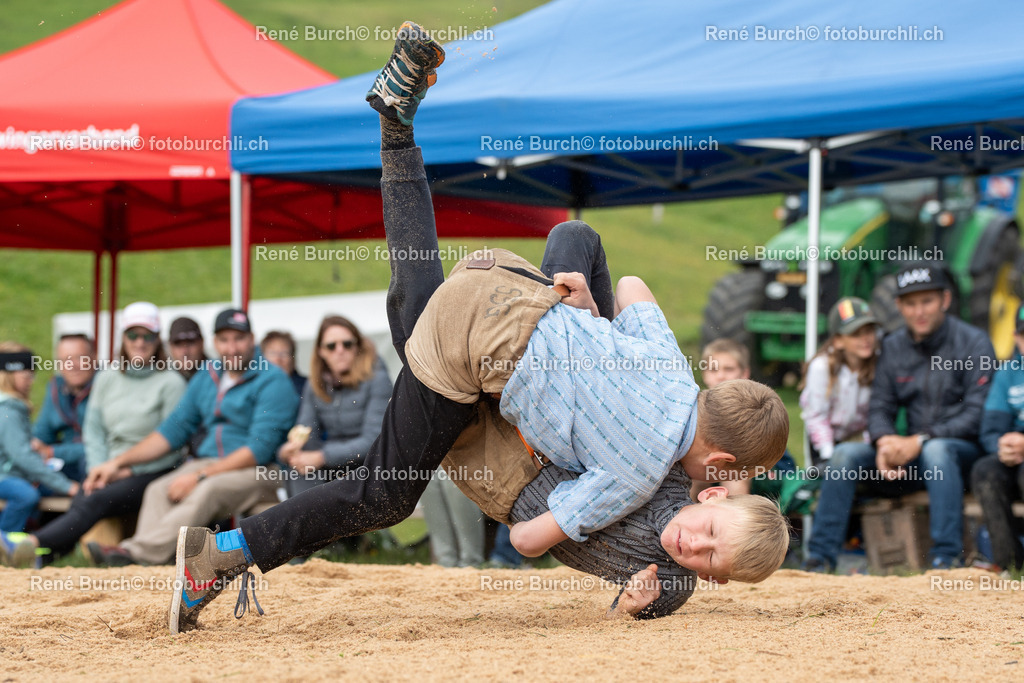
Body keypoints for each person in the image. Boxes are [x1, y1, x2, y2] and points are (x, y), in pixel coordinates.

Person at [167, 23, 789, 634]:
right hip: (477, 363)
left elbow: (625, 281)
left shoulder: (672, 377)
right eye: (720, 481)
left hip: (509, 293)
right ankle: (224, 553)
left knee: (481, 278)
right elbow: (531, 539)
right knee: (386, 493)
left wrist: (591, 321)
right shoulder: (647, 478)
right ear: (720, 471)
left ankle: (397, 129)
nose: (705, 508)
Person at [803, 262, 995, 572]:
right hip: (910, 456)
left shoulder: (974, 343)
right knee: (845, 455)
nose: (919, 311)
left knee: (937, 450)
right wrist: (883, 442)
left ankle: (946, 559)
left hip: (963, 455)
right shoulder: (892, 347)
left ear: (945, 300)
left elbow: (978, 413)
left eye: (927, 301)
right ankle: (819, 559)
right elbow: (880, 406)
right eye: (910, 303)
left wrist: (920, 440)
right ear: (898, 306)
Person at [82, 308, 299, 567]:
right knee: (157, 490)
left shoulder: (273, 380)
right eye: (224, 339)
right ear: (214, 342)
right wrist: (116, 463)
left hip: (262, 470)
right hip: (210, 464)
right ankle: (153, 566)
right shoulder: (208, 375)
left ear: (252, 339)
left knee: (208, 490)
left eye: (239, 339)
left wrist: (199, 476)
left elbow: (258, 450)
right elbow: (171, 431)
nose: (232, 348)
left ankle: (135, 555)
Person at [2, 302, 187, 564]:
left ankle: (32, 544)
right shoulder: (108, 378)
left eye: (148, 336)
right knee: (87, 491)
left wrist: (125, 469)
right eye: (133, 335)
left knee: (94, 498)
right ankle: (43, 556)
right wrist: (98, 469)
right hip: (109, 467)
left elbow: (173, 444)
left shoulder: (171, 383)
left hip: (152, 470)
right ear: (123, 338)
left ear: (158, 339)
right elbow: (94, 430)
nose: (140, 342)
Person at [277, 316, 391, 498]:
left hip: (370, 465)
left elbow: (374, 440)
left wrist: (322, 457)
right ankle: (308, 516)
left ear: (357, 347)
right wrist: (288, 451)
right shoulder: (315, 384)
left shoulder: (378, 379)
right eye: (331, 346)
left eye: (347, 344)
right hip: (332, 466)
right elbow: (306, 432)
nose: (340, 350)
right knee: (299, 469)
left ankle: (311, 515)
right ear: (321, 351)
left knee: (310, 468)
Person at [692, 338, 797, 499]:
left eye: (729, 369)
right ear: (704, 374)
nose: (720, 376)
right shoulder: (698, 406)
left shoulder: (754, 405)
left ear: (745, 373)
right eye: (713, 369)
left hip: (764, 472)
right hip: (713, 468)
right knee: (696, 472)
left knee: (734, 474)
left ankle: (735, 515)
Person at [0, 343, 79, 545]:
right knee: (26, 495)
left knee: (44, 488)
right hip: (4, 477)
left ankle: (37, 537)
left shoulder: (13, 408)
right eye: (27, 376)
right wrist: (66, 486)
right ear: (9, 375)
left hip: (12, 474)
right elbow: (22, 457)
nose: (31, 381)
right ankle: (6, 543)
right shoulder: (7, 412)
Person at [971, 303, 1024, 572]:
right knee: (985, 471)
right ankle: (1011, 566)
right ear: (1016, 337)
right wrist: (1003, 447)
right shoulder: (1008, 373)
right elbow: (990, 431)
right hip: (1016, 459)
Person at [799, 297, 878, 465]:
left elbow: (877, 413)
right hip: (825, 441)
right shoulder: (821, 368)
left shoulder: (879, 364)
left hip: (862, 440)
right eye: (856, 334)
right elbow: (816, 416)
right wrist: (828, 455)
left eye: (869, 331)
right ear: (838, 341)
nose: (865, 339)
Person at [31, 333, 96, 483]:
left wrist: (53, 452)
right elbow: (42, 433)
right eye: (66, 360)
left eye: (80, 358)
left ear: (94, 358)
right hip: (65, 464)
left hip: (96, 463)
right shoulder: (56, 386)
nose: (72, 366)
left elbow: (105, 444)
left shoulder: (107, 385)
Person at [261, 331, 307, 397]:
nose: (277, 359)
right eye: (272, 353)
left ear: (293, 359)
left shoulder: (307, 387)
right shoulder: (254, 388)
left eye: (284, 353)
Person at [167, 317, 208, 381]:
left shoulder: (219, 375)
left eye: (190, 343)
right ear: (170, 346)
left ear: (202, 343)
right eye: (178, 345)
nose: (184, 352)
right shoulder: (165, 377)